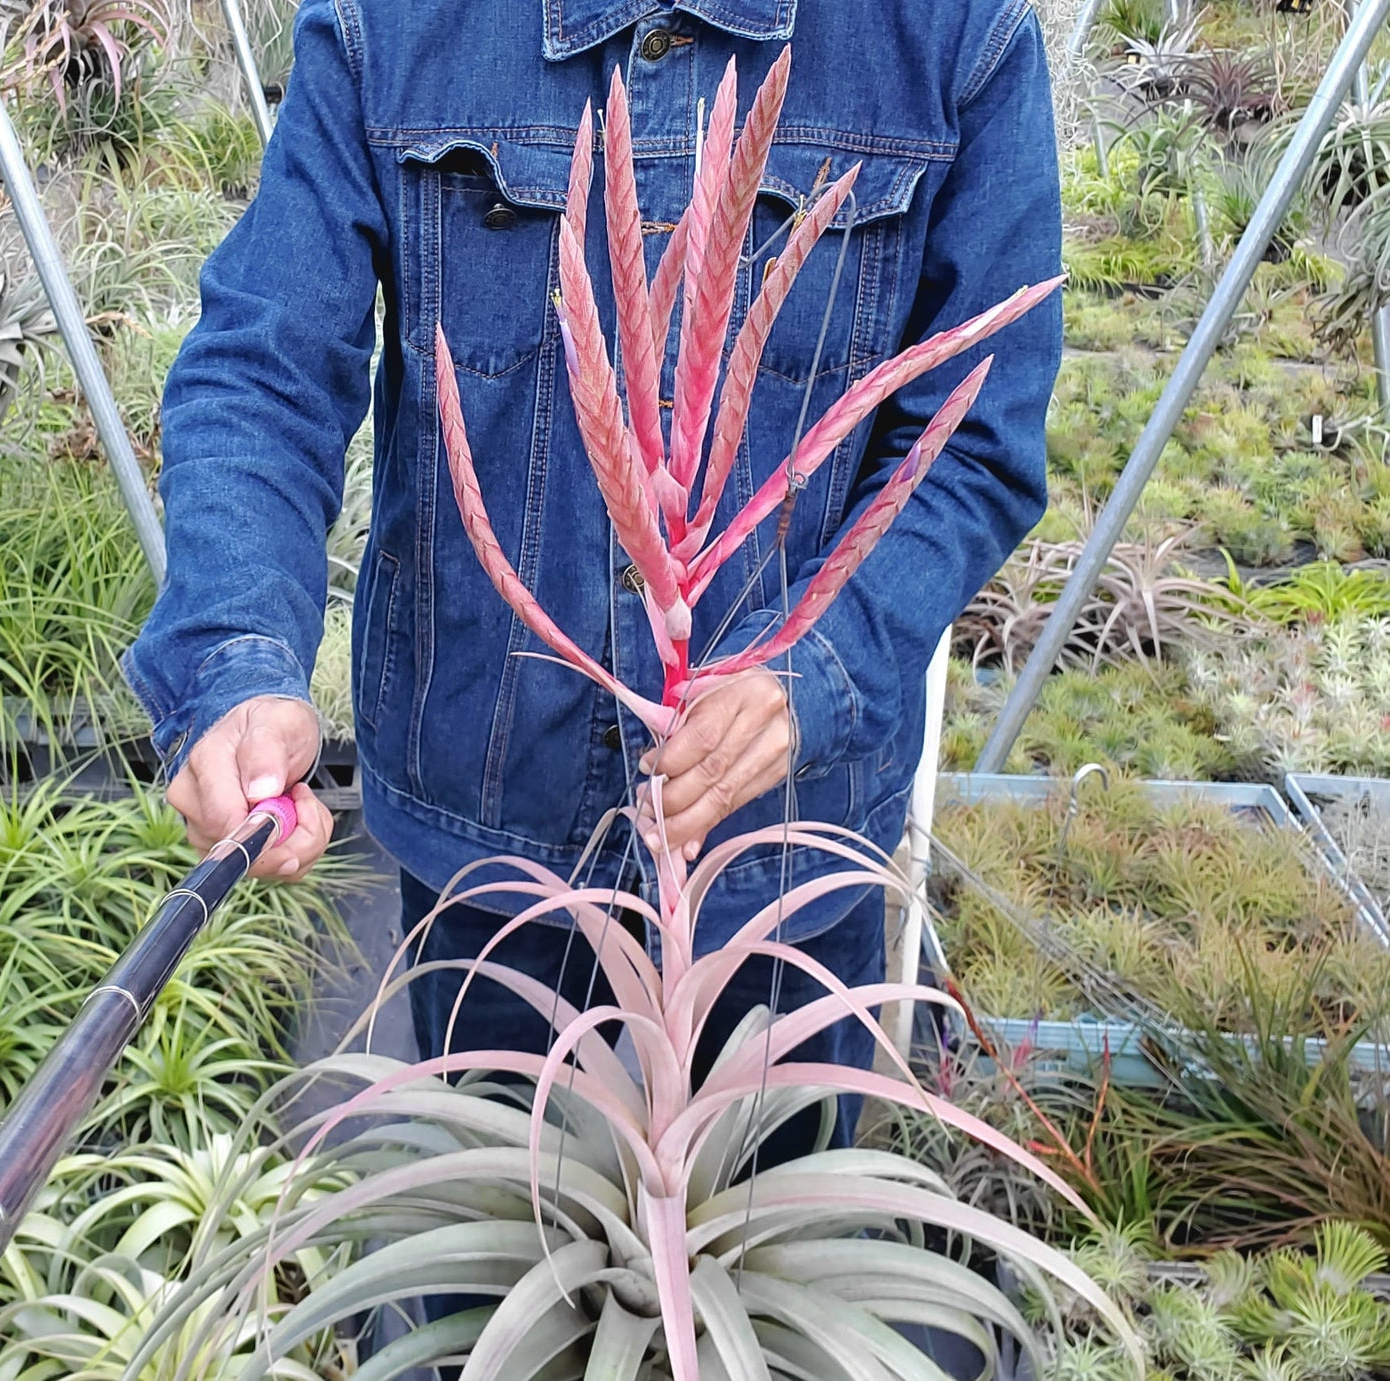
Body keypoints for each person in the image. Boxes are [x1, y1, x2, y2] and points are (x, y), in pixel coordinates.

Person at [124, 0, 1062, 1155]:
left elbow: (974, 437)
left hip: (781, 842)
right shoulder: (393, 26)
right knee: (495, 1267)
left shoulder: (946, 33)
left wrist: (813, 673)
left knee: (756, 1257)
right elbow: (261, 371)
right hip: (492, 828)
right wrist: (237, 659)